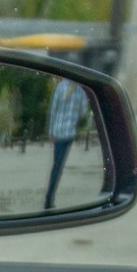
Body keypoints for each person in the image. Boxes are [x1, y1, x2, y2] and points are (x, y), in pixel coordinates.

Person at [45, 75, 86, 208]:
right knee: (59, 166)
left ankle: (49, 198)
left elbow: (53, 109)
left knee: (56, 166)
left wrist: (51, 131)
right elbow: (83, 112)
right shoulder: (80, 90)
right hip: (69, 133)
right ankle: (49, 198)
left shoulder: (60, 87)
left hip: (58, 131)